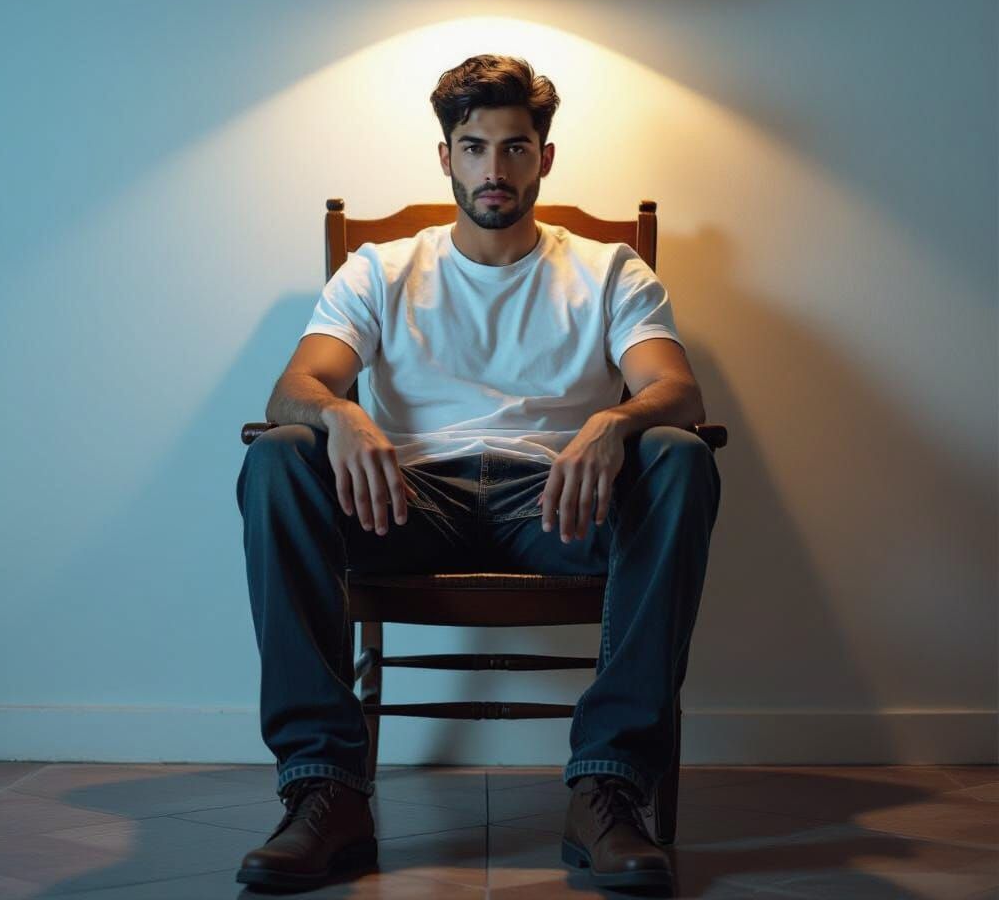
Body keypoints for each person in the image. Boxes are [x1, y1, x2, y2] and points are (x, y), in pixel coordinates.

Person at [235, 54, 721, 892]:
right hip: (408, 500)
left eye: (514, 148)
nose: (493, 170)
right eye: (473, 147)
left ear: (545, 157)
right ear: (445, 156)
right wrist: (344, 413)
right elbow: (294, 389)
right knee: (278, 454)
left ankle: (608, 786)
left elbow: (675, 390)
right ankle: (325, 790)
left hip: (561, 502)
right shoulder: (382, 268)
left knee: (678, 457)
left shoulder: (609, 270)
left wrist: (615, 421)